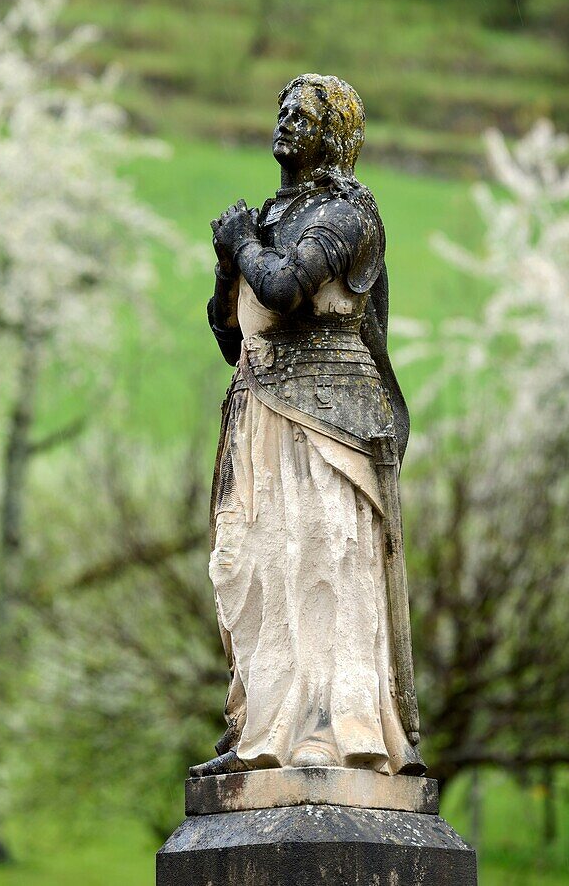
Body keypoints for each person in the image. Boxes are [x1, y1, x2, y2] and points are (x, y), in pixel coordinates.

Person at [192, 73, 425, 778]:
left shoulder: (347, 214)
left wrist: (242, 246)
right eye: (282, 109)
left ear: (330, 134)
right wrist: (229, 258)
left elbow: (287, 289)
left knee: (319, 562)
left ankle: (327, 731)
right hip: (258, 414)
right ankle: (257, 730)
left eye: (302, 114)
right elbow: (231, 333)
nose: (285, 121)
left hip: (326, 421)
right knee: (249, 565)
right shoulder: (270, 215)